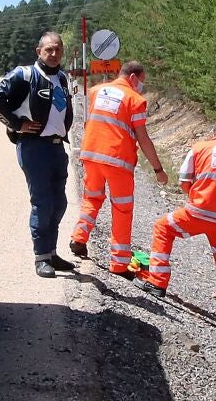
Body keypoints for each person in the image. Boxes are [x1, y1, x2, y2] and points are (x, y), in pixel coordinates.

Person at [139, 118, 216, 333]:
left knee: (163, 227)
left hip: (197, 213)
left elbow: (184, 180)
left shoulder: (200, 148)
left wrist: (199, 197)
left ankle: (157, 282)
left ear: (214, 132)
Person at [0, 32, 78, 278]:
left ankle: (51, 252)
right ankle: (41, 258)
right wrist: (16, 124)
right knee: (43, 202)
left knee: (59, 203)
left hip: (56, 148)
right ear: (38, 51)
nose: (54, 54)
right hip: (34, 147)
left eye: (58, 49)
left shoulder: (62, 77)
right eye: (49, 49)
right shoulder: (24, 75)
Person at [70, 61, 168, 271]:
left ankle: (78, 237)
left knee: (92, 198)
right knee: (122, 209)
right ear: (132, 77)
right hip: (117, 160)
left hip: (91, 155)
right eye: (141, 81)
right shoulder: (135, 100)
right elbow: (143, 137)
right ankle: (119, 263)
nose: (141, 85)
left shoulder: (96, 91)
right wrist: (158, 169)